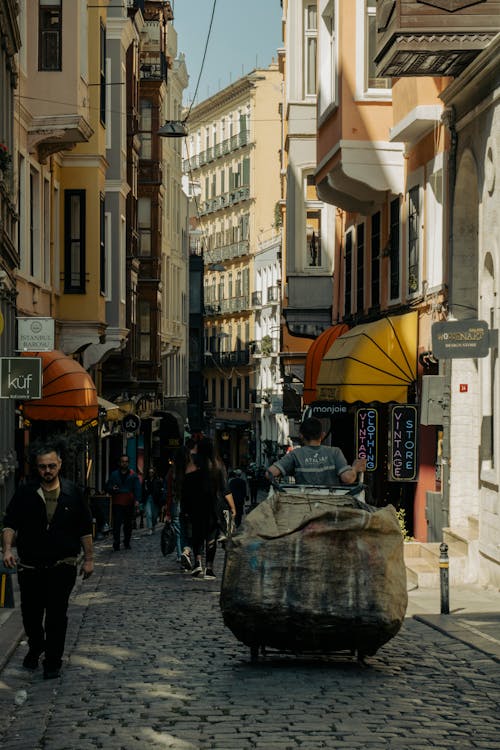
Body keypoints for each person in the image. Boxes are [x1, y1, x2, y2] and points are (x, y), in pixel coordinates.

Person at [1, 440, 94, 679]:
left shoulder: (73, 493)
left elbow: (85, 529)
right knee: (31, 615)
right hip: (30, 566)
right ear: (37, 467)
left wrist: (89, 559)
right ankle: (36, 645)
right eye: (43, 467)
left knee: (56, 614)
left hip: (62, 565)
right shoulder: (25, 492)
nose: (47, 471)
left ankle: (53, 661)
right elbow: (10, 523)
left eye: (52, 465)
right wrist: (8, 549)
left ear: (60, 464)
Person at [182, 437, 236, 579]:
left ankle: (197, 563)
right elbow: (225, 489)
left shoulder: (193, 463)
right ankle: (209, 568)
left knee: (197, 534)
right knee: (211, 536)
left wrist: (185, 506)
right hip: (213, 505)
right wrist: (232, 507)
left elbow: (185, 486)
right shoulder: (218, 465)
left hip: (196, 503)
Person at [267, 417, 366, 486]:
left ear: (301, 435)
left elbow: (270, 473)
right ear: (322, 435)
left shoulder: (295, 454)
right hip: (330, 504)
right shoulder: (335, 452)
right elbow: (348, 479)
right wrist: (355, 468)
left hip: (302, 502)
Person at [105, 455, 141, 551]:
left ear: (128, 463)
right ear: (119, 463)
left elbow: (137, 488)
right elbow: (108, 486)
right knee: (116, 524)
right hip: (118, 501)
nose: (124, 463)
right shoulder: (114, 474)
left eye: (126, 461)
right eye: (122, 461)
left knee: (128, 524)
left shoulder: (133, 475)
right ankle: (116, 542)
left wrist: (137, 500)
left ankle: (126, 542)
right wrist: (112, 489)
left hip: (129, 502)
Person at [142, 466, 163, 535]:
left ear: (154, 473)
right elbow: (142, 490)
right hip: (148, 498)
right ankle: (150, 529)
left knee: (154, 515)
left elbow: (160, 491)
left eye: (152, 472)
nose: (151, 473)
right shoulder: (145, 480)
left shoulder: (158, 480)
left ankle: (153, 526)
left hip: (155, 499)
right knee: (149, 514)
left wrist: (161, 501)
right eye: (149, 472)